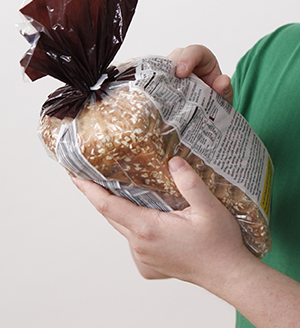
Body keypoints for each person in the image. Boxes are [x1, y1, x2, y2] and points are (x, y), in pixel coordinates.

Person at [72, 23, 300, 328]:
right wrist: (183, 138)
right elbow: (164, 259)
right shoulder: (275, 55)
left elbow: (219, 259)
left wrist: (228, 272)